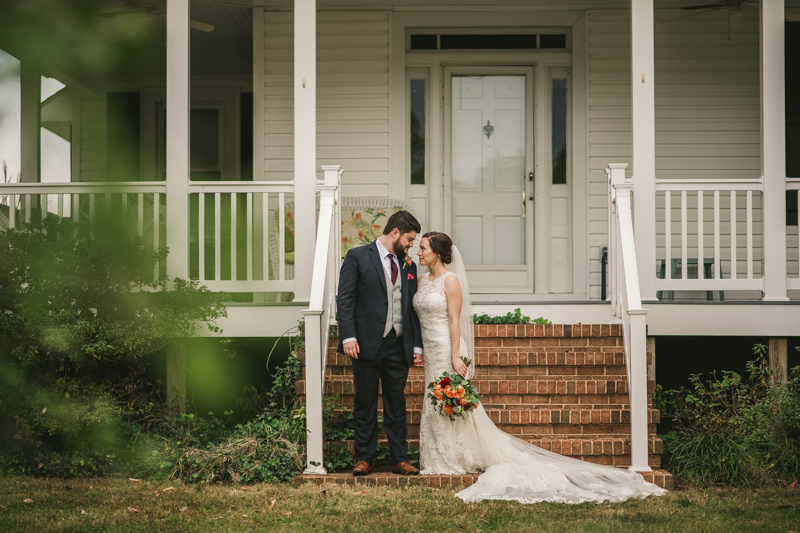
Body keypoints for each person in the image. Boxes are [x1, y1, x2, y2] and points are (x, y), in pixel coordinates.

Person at [413, 231, 667, 504]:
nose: (419, 252)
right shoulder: (421, 281)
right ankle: (438, 456)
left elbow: (454, 321)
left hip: (448, 350)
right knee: (435, 399)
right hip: (431, 350)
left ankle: (457, 457)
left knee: (452, 401)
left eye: (423, 248)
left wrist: (455, 355)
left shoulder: (450, 282)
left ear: (437, 253)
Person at [337, 210, 423, 477]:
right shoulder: (357, 257)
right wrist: (349, 336)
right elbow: (345, 299)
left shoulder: (408, 265)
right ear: (395, 232)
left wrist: (416, 346)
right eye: (409, 239)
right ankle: (364, 457)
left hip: (398, 344)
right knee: (364, 401)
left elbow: (412, 308)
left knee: (396, 402)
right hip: (365, 343)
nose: (412, 245)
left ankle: (400, 458)